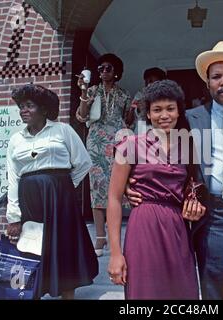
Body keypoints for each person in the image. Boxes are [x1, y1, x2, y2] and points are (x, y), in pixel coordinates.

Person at [127, 41, 223, 299]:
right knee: (212, 295)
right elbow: (158, 153)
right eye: (216, 76)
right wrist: (131, 184)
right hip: (211, 219)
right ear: (207, 83)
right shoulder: (190, 119)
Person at [107, 79, 205, 299]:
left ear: (179, 111)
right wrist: (115, 253)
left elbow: (193, 187)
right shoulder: (130, 145)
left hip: (177, 226)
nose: (164, 115)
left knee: (182, 292)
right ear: (148, 114)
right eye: (157, 110)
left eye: (170, 108)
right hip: (144, 225)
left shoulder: (189, 147)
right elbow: (113, 198)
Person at [5, 84, 98, 299]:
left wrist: (63, 187)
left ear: (44, 109)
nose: (23, 110)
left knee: (63, 246)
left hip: (60, 199)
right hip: (30, 200)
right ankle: (31, 294)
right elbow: (13, 178)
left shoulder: (62, 130)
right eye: (21, 107)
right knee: (32, 248)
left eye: (29, 106)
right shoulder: (15, 140)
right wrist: (13, 216)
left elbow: (83, 163)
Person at [76, 53, 132, 257]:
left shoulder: (125, 95)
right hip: (97, 144)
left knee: (117, 188)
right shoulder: (91, 91)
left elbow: (129, 121)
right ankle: (100, 237)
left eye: (108, 68)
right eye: (100, 69)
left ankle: (115, 236)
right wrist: (83, 93)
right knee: (97, 188)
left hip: (118, 141)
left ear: (116, 71)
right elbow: (82, 117)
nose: (104, 72)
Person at [128, 67, 167, 133]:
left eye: (151, 81)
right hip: (140, 132)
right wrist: (132, 109)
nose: (148, 84)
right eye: (146, 81)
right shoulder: (139, 95)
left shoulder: (166, 98)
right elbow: (129, 121)